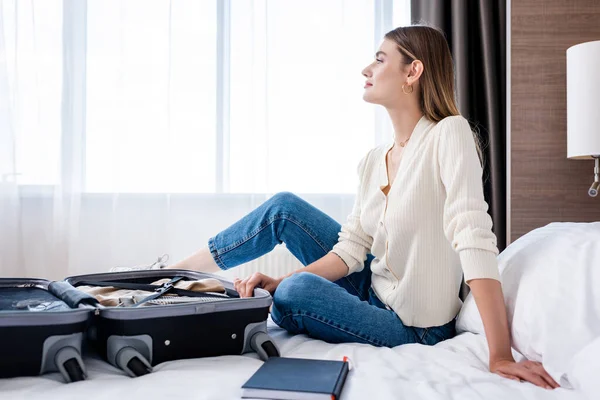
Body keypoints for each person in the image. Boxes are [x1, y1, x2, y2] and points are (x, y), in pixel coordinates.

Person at [113, 25, 559, 390]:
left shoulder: (449, 134)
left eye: (381, 59)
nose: (367, 68)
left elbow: (474, 235)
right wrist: (283, 275)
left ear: (413, 71)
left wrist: (499, 354)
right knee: (285, 210)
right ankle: (177, 277)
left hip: (413, 324)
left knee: (293, 294)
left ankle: (242, 296)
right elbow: (351, 251)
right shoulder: (373, 160)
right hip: (371, 287)